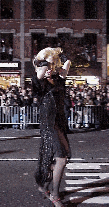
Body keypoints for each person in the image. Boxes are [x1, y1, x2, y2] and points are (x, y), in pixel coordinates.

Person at [32, 47, 71, 207]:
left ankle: (44, 183)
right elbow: (39, 72)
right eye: (47, 64)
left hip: (59, 121)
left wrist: (58, 53)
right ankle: (54, 194)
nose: (50, 67)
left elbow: (68, 62)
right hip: (49, 123)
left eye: (53, 63)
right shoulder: (39, 80)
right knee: (61, 157)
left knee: (65, 155)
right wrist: (43, 64)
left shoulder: (59, 77)